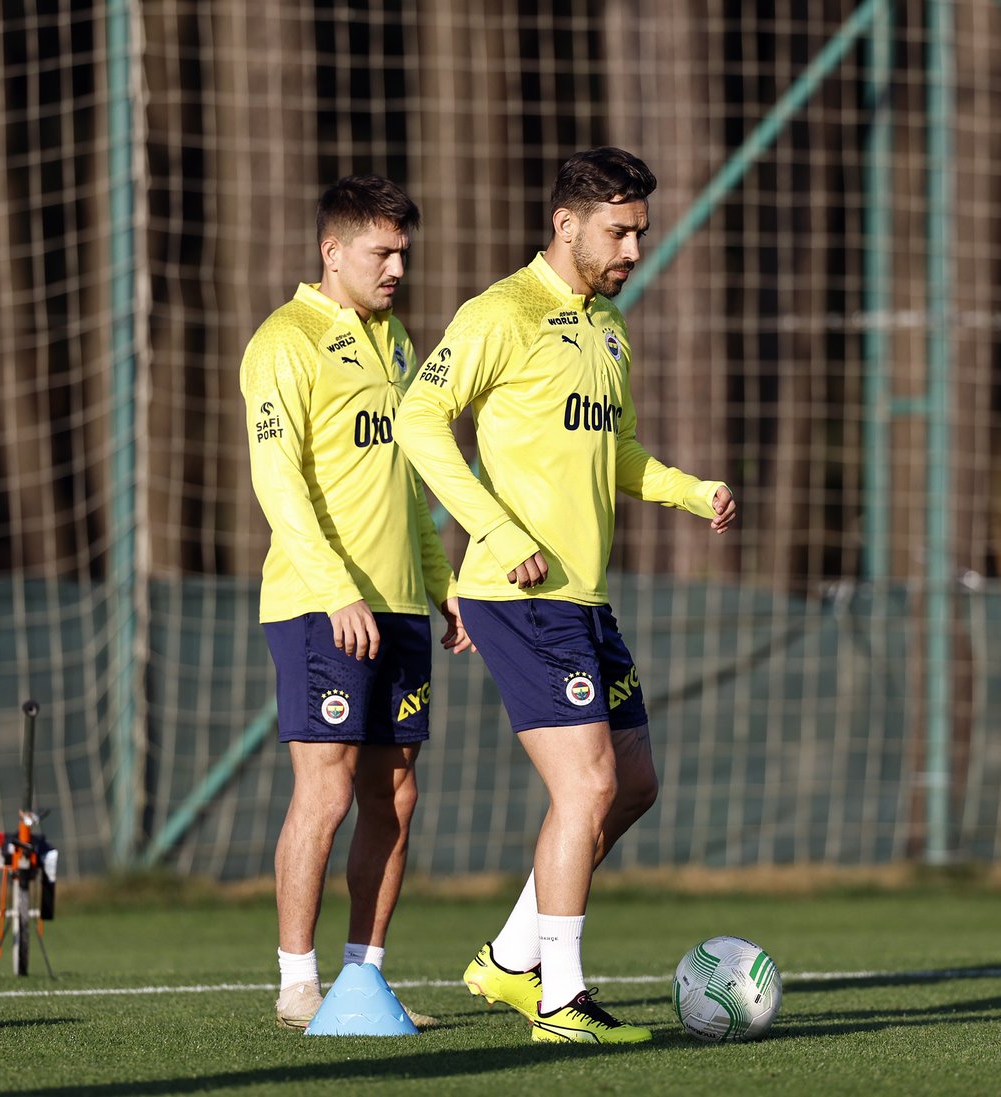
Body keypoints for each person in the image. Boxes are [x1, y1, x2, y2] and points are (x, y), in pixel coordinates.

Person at [394, 147, 736, 1045]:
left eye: (640, 233)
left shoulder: (609, 329)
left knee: (632, 784)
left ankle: (510, 957)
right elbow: (418, 419)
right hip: (519, 595)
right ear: (566, 223)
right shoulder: (500, 312)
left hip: (585, 598)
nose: (632, 249)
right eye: (619, 232)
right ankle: (560, 998)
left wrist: (692, 490)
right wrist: (496, 537)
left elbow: (614, 452)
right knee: (585, 784)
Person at [240, 173, 470, 1031]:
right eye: (382, 251)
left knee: (396, 790)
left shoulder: (398, 343)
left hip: (401, 606)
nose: (398, 267)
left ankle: (362, 978)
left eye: (404, 251)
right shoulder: (284, 341)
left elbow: (411, 482)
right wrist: (337, 589)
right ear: (332, 252)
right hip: (316, 602)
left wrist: (439, 584)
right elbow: (278, 481)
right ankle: (297, 980)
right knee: (326, 790)